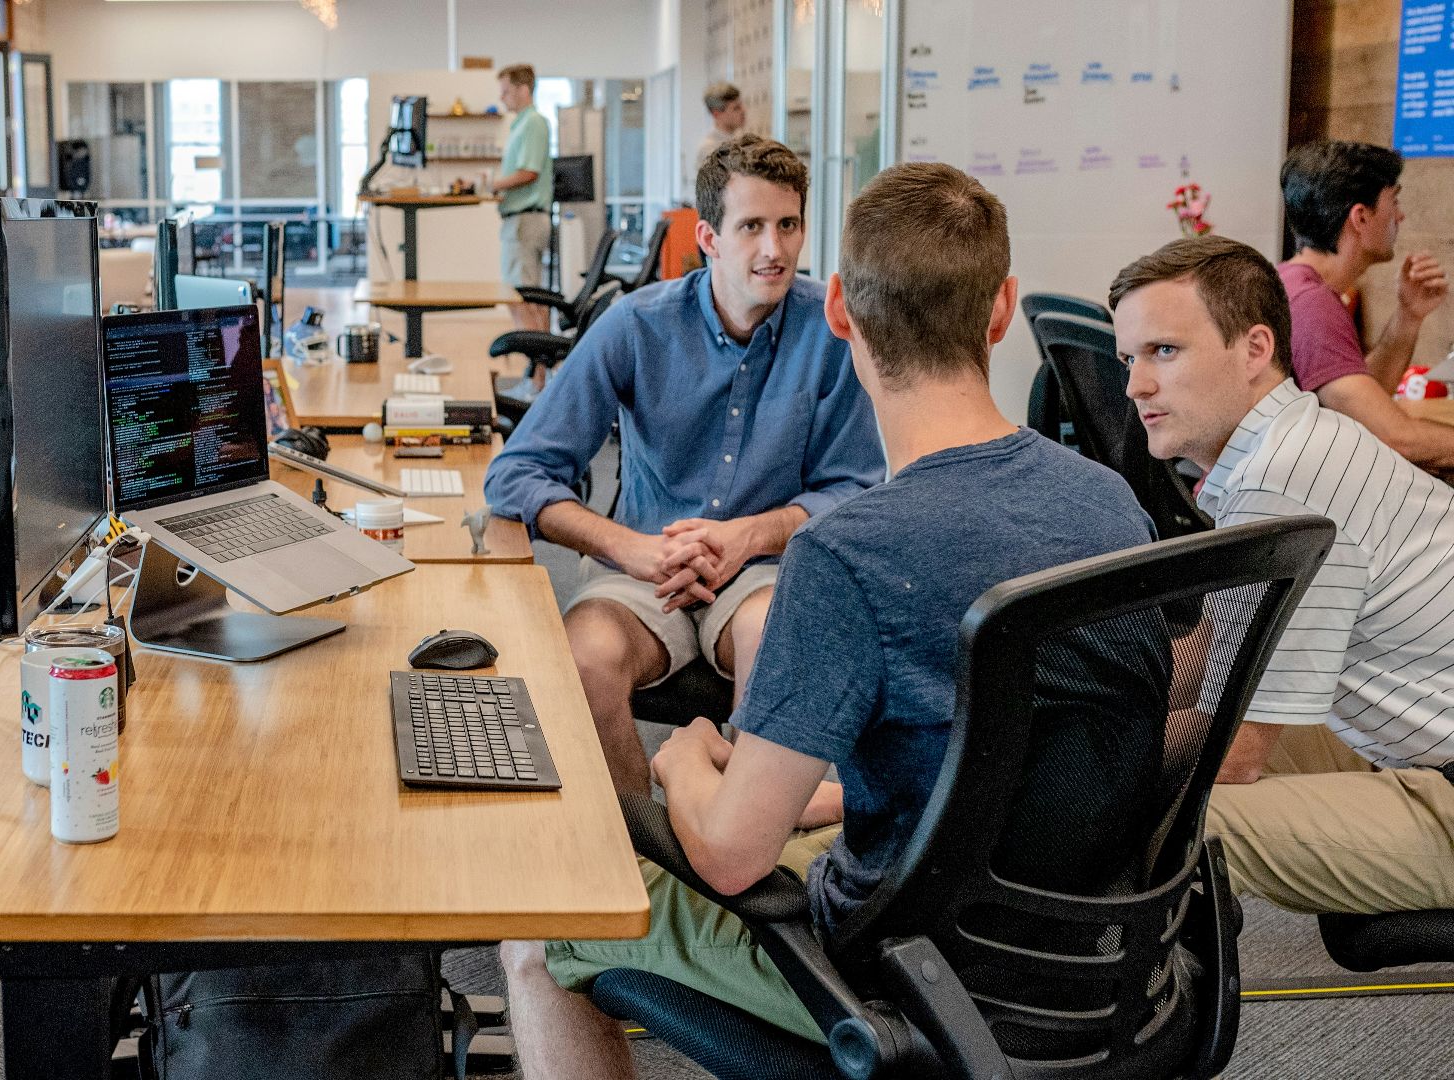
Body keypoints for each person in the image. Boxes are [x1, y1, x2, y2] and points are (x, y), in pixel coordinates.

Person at [499, 162, 1157, 1079]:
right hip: (1099, 963)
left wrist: (684, 759)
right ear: (1002, 309)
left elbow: (730, 859)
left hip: (900, 978)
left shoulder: (849, 555)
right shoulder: (1112, 504)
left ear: (839, 307)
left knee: (535, 928)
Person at [484, 134, 883, 797]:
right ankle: (645, 847)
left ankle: (738, 844)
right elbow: (516, 473)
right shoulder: (636, 326)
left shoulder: (834, 331)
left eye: (788, 226)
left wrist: (749, 536)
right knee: (584, 658)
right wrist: (628, 548)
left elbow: (858, 489)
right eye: (751, 226)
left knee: (775, 644)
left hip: (763, 571)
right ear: (709, 236)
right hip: (645, 568)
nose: (774, 250)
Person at [1112, 234, 1454, 915]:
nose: (1135, 385)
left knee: (1171, 819)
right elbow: (1215, 655)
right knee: (1126, 755)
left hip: (1440, 783)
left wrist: (1045, 765)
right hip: (1420, 750)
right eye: (1130, 358)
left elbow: (1235, 752)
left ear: (1256, 350)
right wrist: (1075, 699)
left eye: (1164, 352)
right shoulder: (1289, 445)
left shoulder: (1284, 479)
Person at [1277, 140, 1454, 469]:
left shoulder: (1296, 282)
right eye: (1393, 200)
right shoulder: (1311, 304)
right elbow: (1395, 437)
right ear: (1360, 217)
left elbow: (1359, 406)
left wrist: (1409, 315)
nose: (1400, 215)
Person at [486, 63, 554, 333]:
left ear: (523, 89)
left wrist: (494, 185)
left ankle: (537, 373)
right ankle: (538, 370)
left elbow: (530, 172)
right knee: (524, 297)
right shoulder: (521, 124)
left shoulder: (534, 123)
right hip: (519, 220)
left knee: (524, 299)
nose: (502, 98)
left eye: (506, 92)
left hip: (526, 221)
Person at [695, 82, 746, 173]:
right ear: (717, 114)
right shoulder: (708, 150)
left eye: (741, 105)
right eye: (736, 108)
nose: (743, 111)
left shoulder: (743, 139)